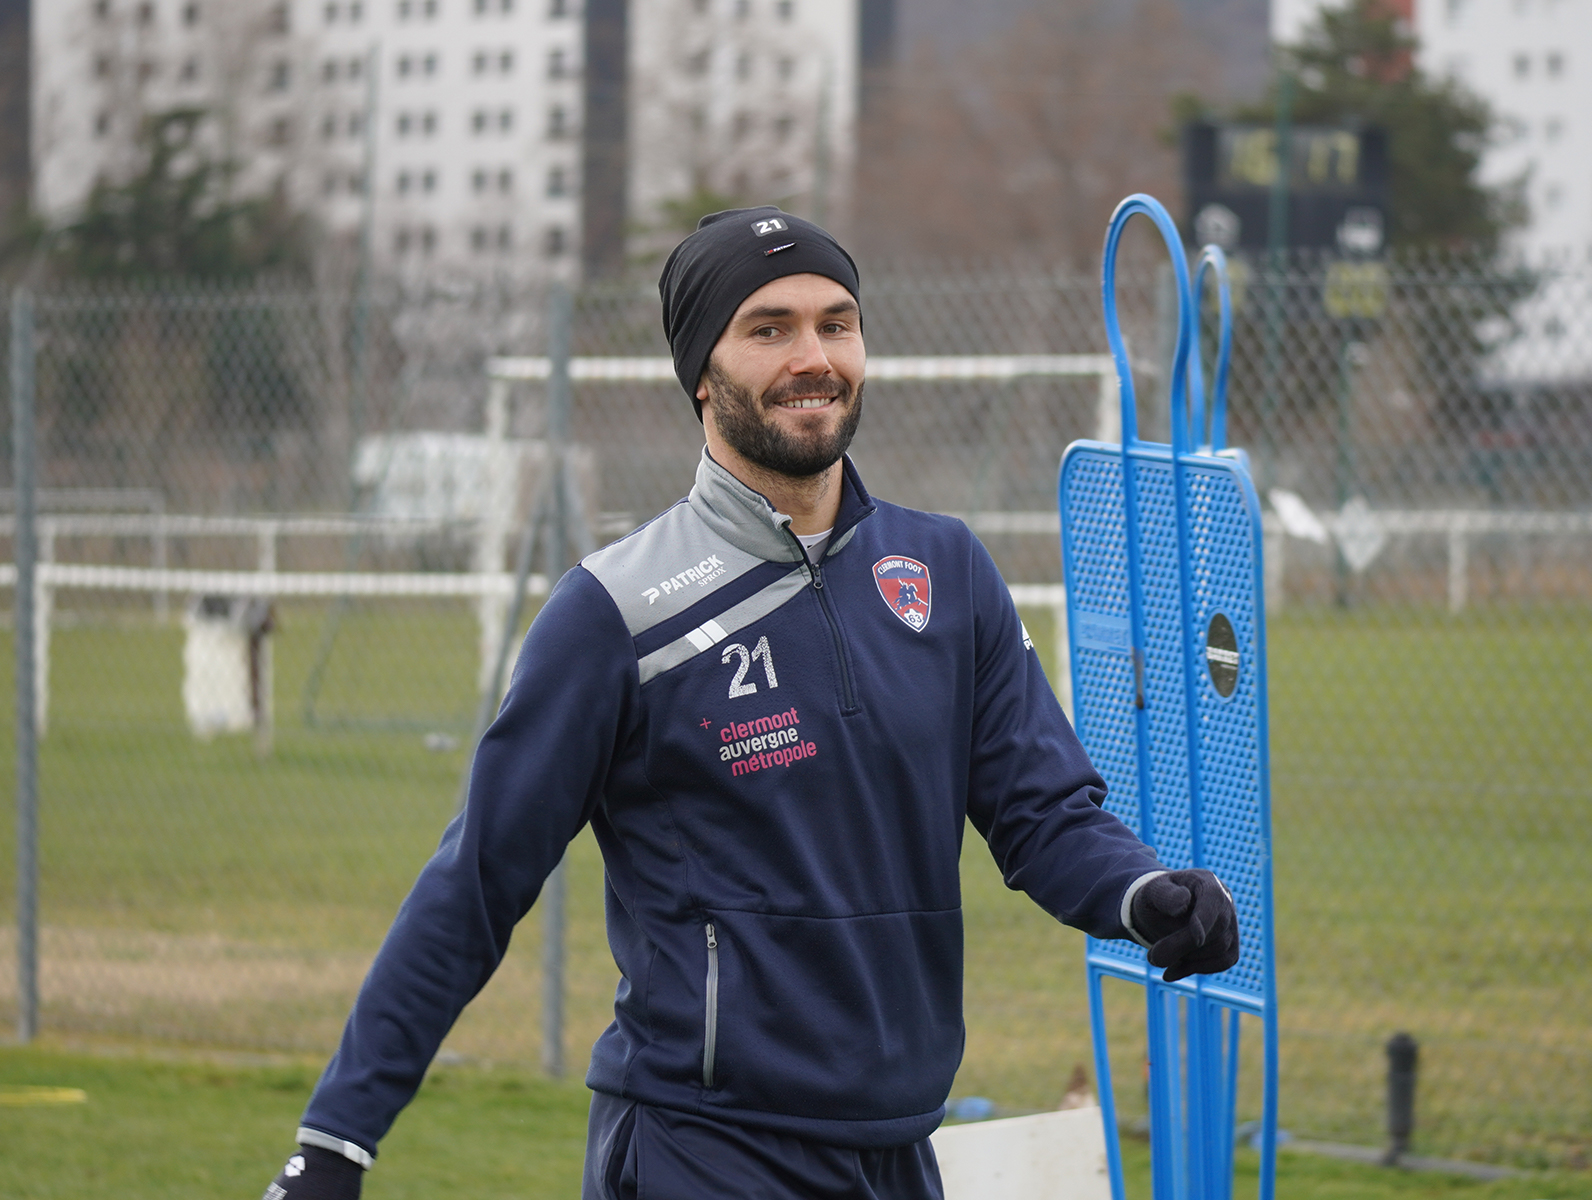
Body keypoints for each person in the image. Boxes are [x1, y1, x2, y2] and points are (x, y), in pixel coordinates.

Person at [262, 207, 1238, 1200]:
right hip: (704, 1147)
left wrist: (1137, 892)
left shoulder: (947, 572)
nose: (812, 356)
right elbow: (475, 883)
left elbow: (1044, 813)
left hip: (900, 1148)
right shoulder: (614, 613)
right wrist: (336, 1143)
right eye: (768, 328)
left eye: (836, 322)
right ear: (701, 370)